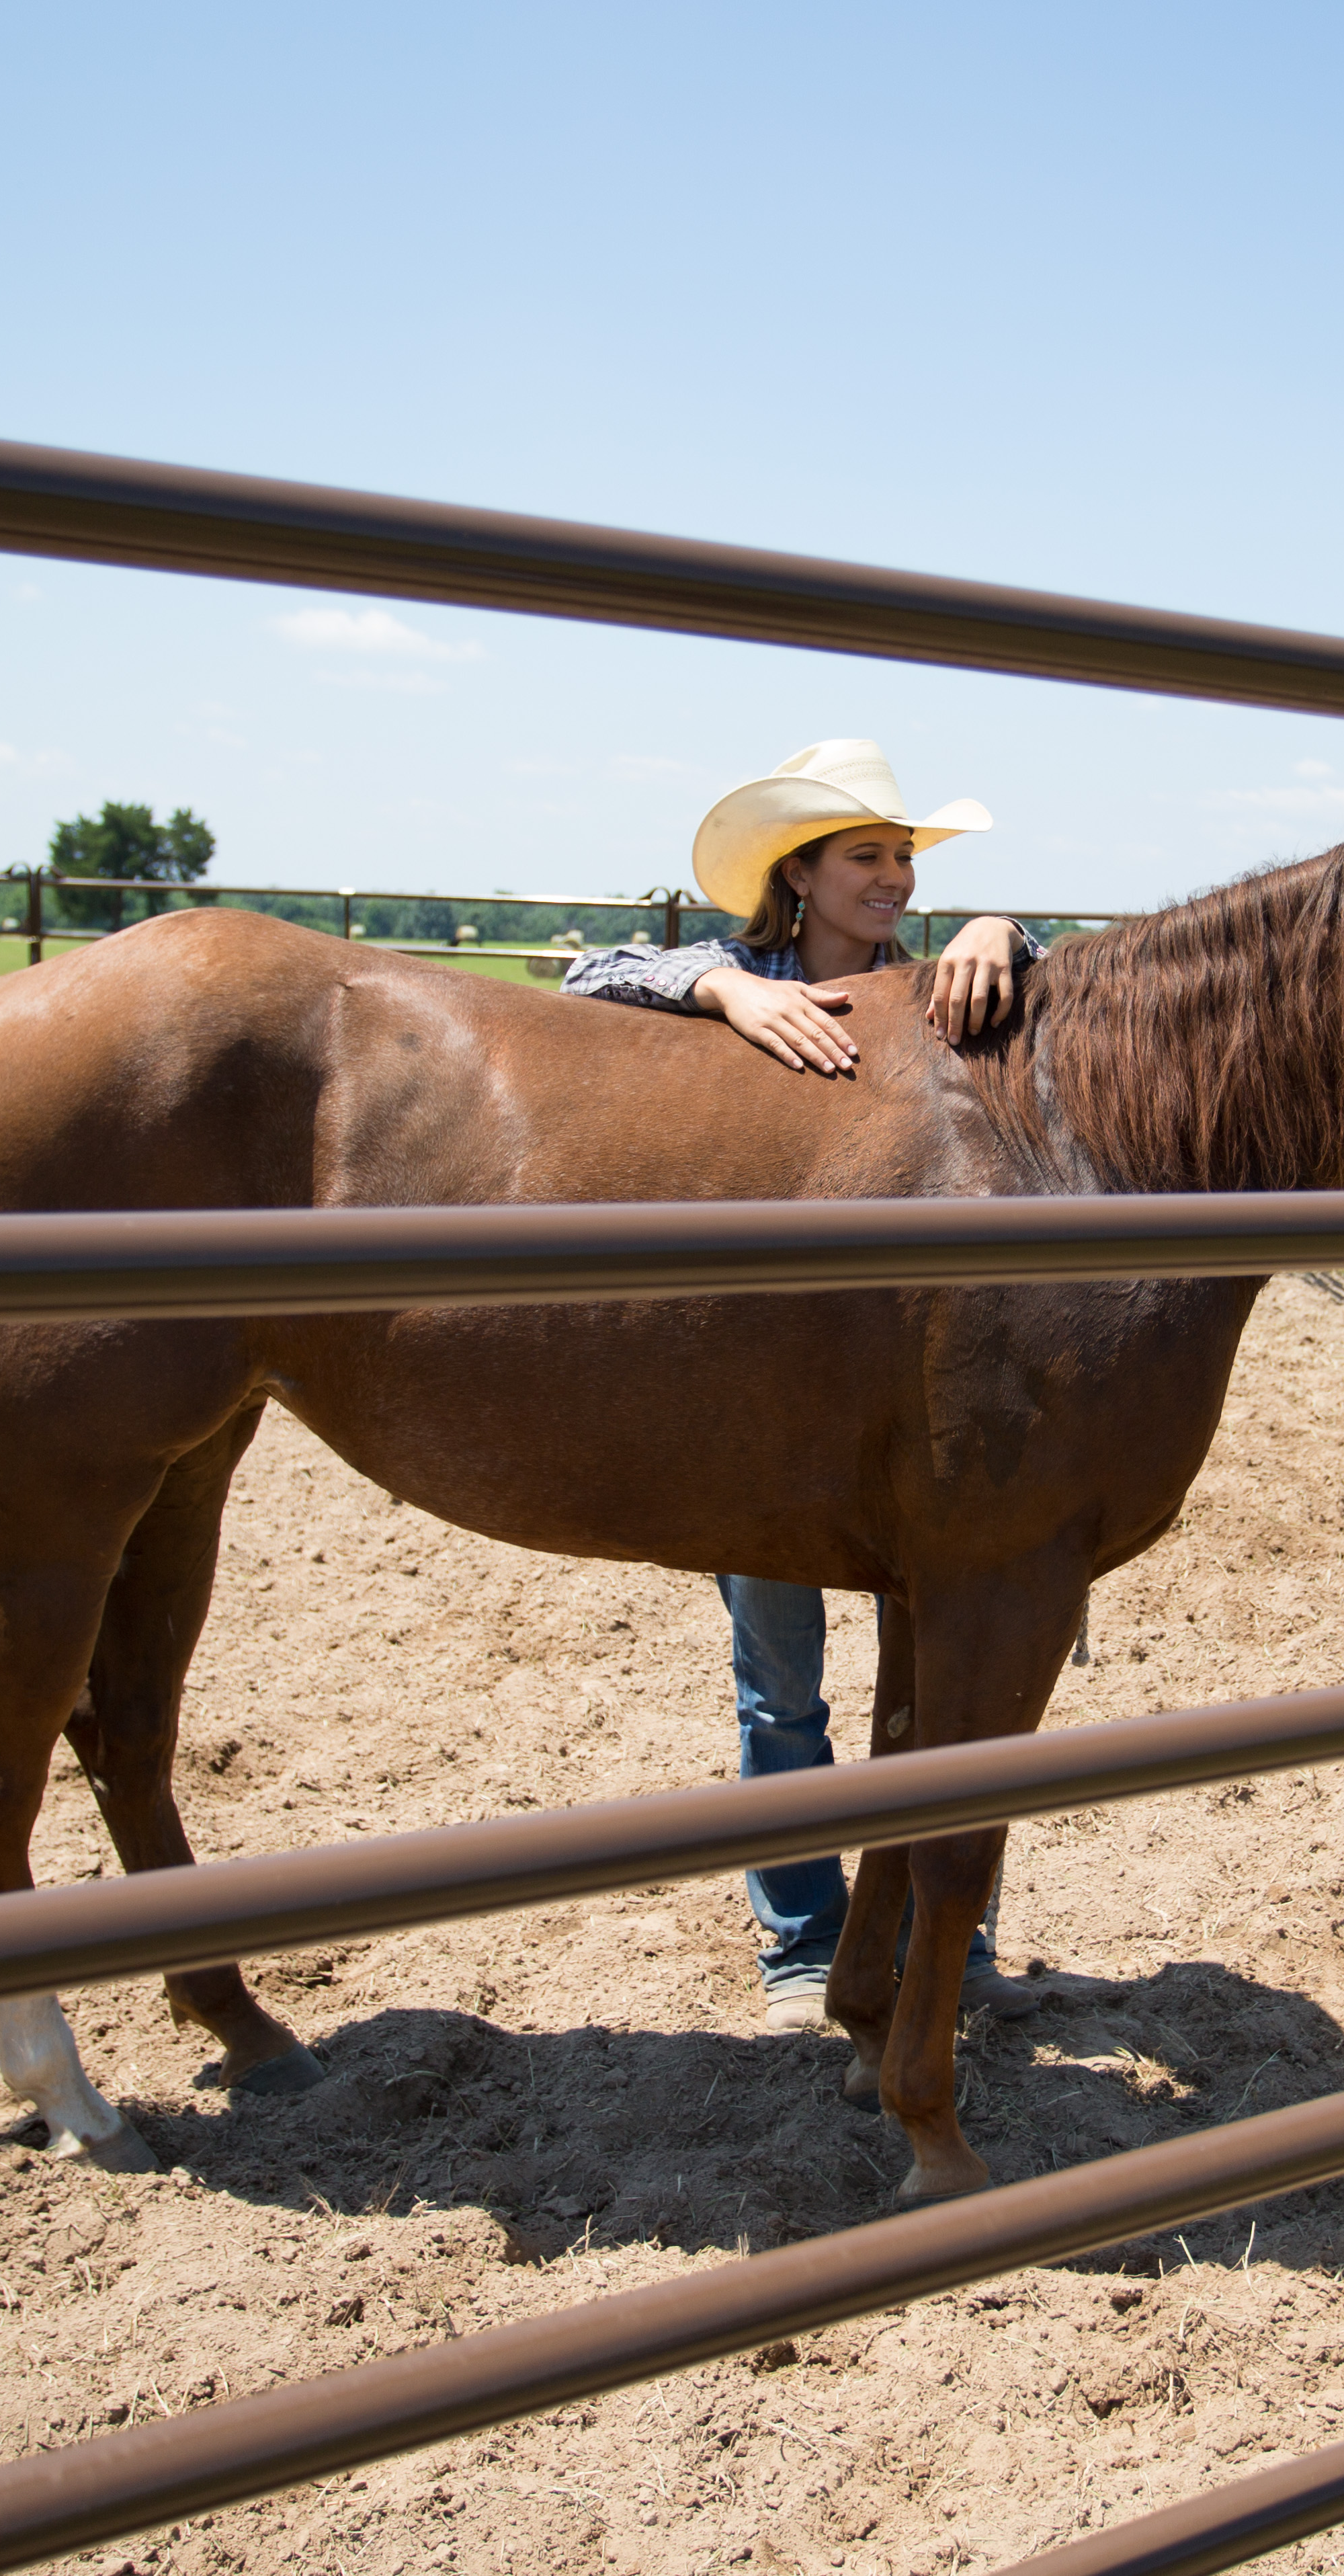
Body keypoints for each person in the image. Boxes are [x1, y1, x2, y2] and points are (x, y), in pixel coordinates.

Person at [565, 741, 1046, 2028]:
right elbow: (580, 974)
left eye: (903, 858)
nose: (892, 879)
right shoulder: (750, 979)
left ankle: (960, 1942)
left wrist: (1006, 923)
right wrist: (723, 987)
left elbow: (1065, 999)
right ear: (802, 873)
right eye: (865, 857)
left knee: (945, 1684)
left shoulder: (944, 987)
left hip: (913, 1377)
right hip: (765, 1397)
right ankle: (799, 1944)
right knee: (781, 1685)